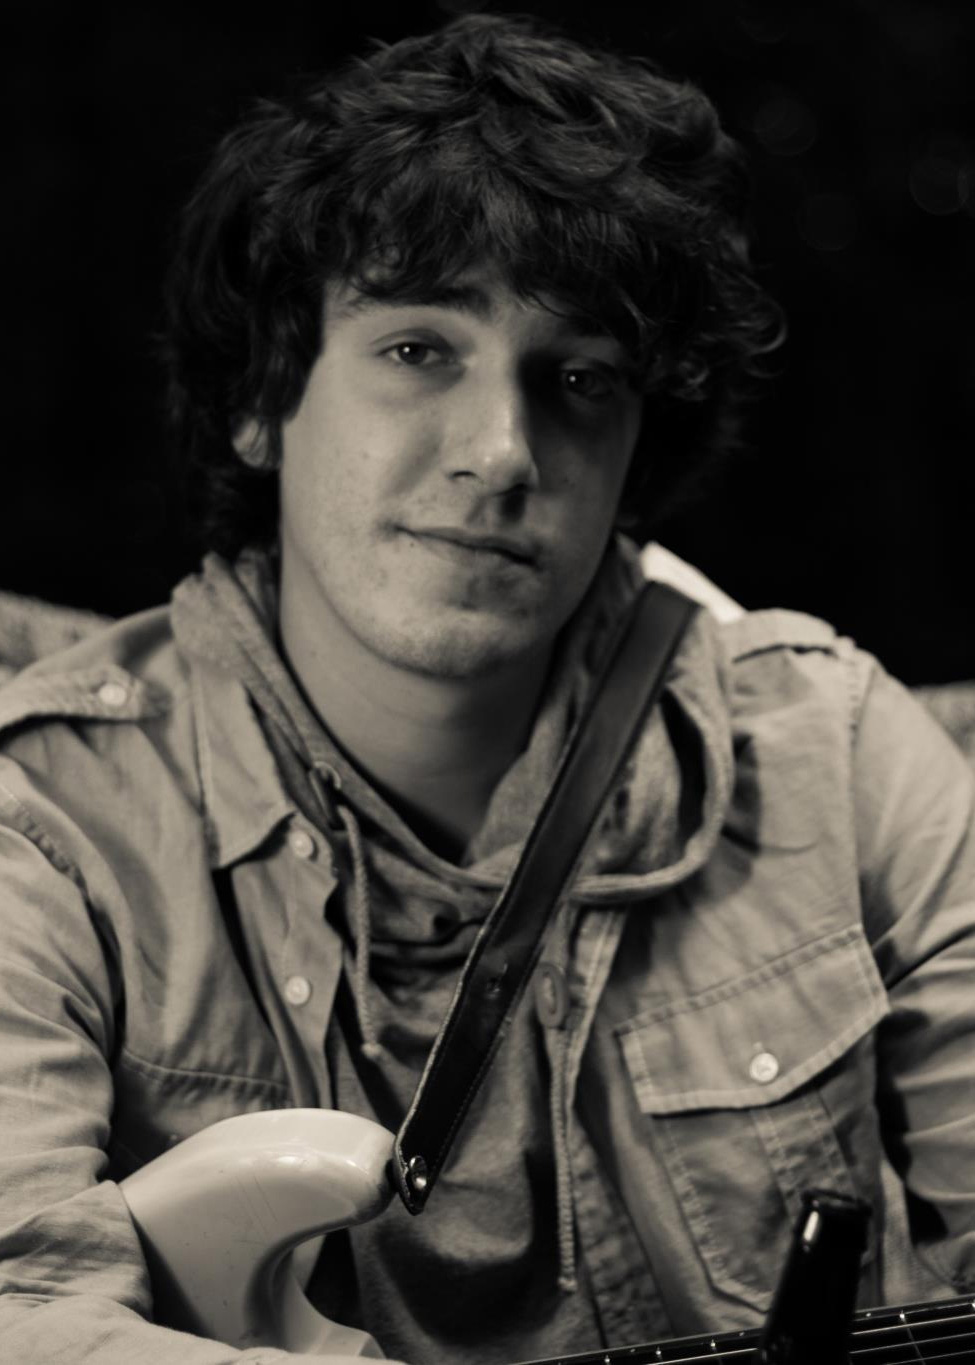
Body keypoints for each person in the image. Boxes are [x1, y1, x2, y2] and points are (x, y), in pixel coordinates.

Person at [1, 13, 974, 1364]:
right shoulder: (44, 831)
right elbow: (24, 1311)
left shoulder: (840, 754)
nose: (505, 449)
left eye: (579, 379)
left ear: (636, 453)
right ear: (264, 398)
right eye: (419, 349)